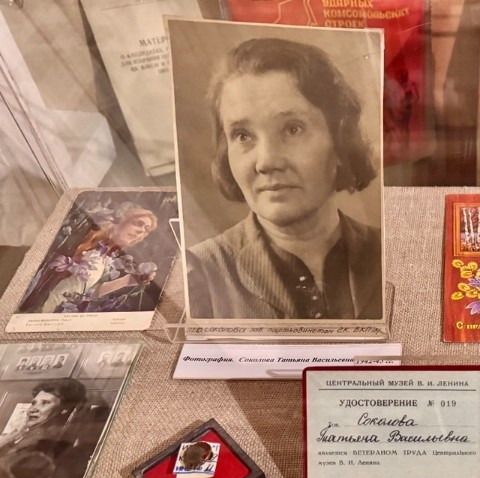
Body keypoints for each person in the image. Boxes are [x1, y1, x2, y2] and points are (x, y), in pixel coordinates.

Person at [186, 37, 381, 321]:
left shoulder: (389, 251)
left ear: (340, 140)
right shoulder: (198, 273)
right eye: (243, 136)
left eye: (292, 129)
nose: (266, 162)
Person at [19, 206, 159, 314]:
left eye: (146, 230)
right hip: (39, 304)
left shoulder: (106, 258)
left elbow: (87, 291)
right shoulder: (85, 236)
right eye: (138, 223)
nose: (141, 231)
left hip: (55, 311)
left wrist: (127, 281)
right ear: (122, 221)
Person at [0, 378, 88, 478]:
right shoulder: (18, 437)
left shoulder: (47, 445)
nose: (34, 409)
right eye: (33, 403)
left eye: (45, 403)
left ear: (64, 410)